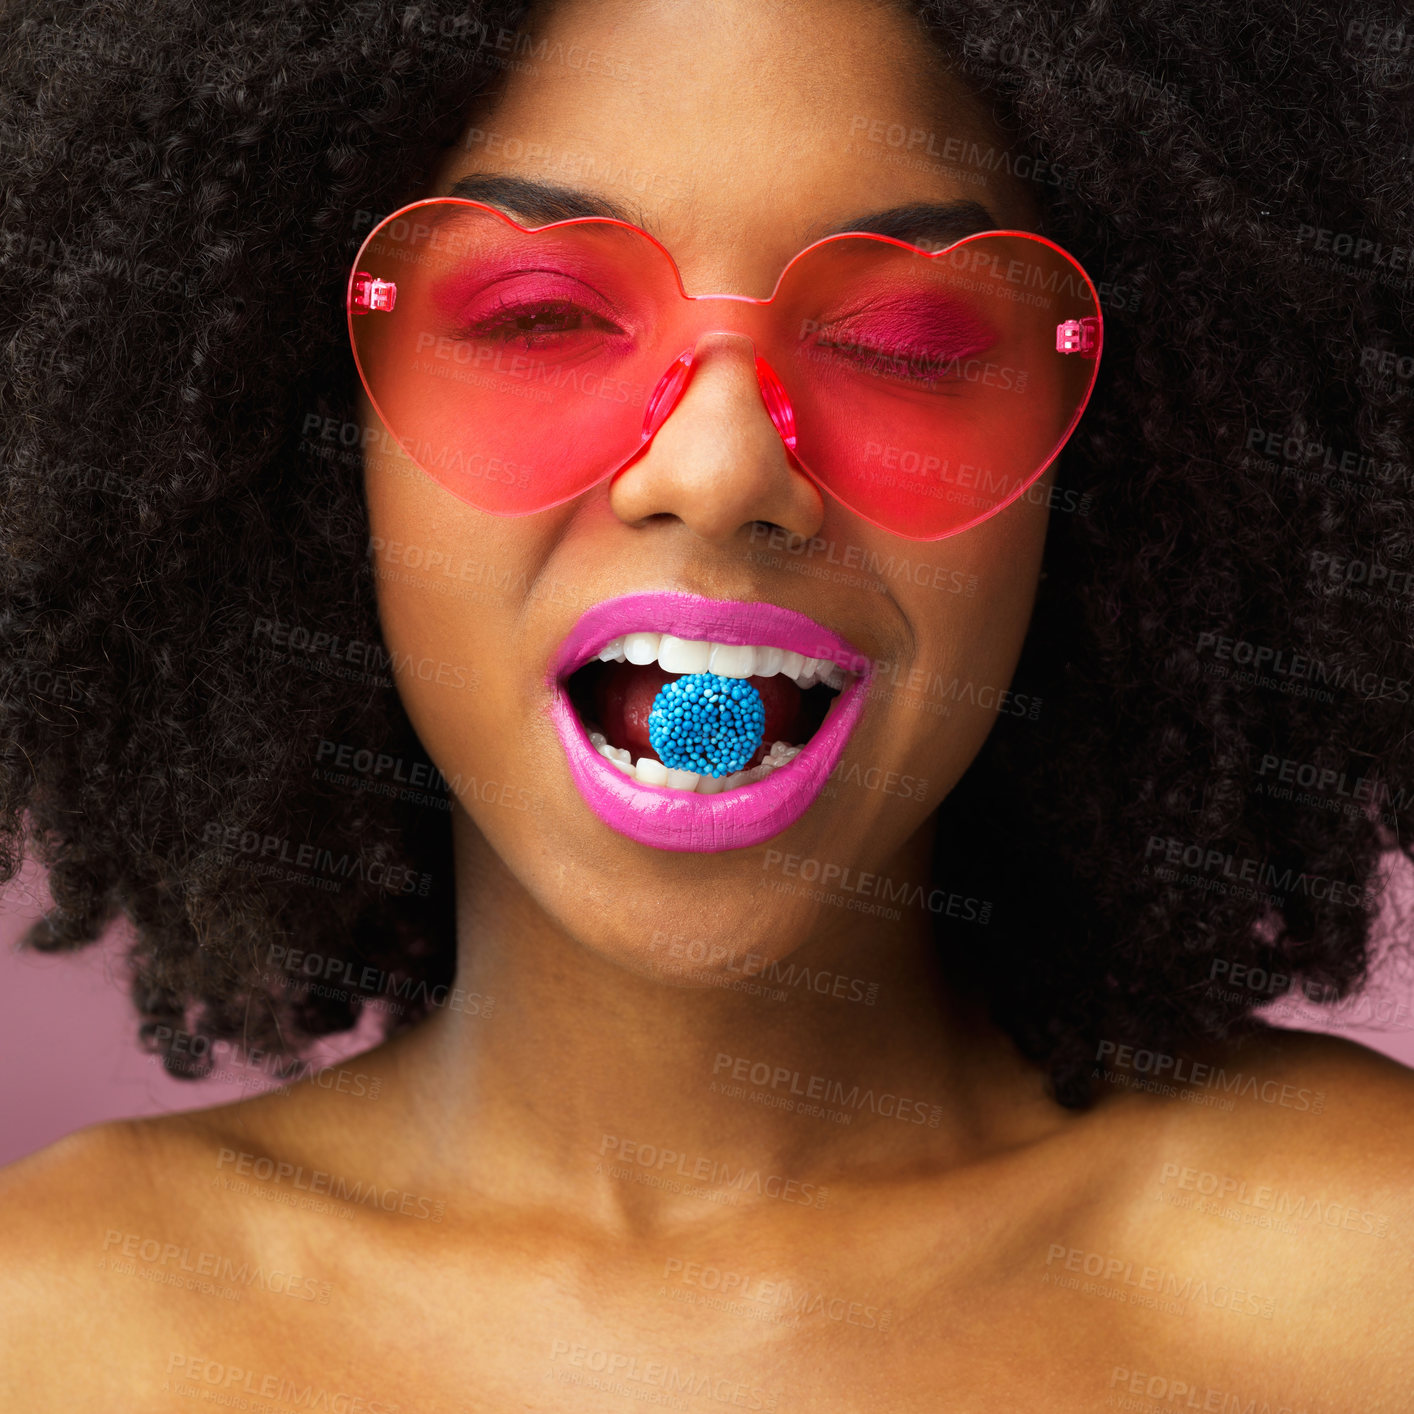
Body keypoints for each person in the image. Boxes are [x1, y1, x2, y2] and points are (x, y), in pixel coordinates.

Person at [2, 0, 1412, 1407]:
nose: (722, 464)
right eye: (538, 316)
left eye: (908, 342)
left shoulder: (1359, 1276)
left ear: (1127, 459)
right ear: (307, 436)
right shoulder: (60, 1327)